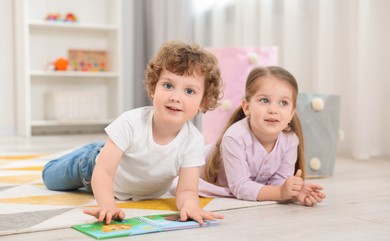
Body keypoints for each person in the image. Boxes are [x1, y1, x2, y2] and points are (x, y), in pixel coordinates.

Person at [42, 40, 224, 224]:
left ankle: (104, 147)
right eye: (168, 86)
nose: (175, 97)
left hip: (135, 186)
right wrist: (107, 204)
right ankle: (93, 151)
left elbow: (186, 191)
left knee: (108, 151)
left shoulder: (193, 141)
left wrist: (190, 206)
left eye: (190, 91)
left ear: (203, 102)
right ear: (154, 88)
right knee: (50, 178)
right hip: (92, 170)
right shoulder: (131, 122)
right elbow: (103, 172)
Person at [172, 66, 325, 206]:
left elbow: (278, 183)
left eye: (283, 103)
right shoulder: (235, 137)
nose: (273, 109)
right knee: (170, 184)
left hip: (238, 186)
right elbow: (240, 187)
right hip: (185, 169)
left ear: (292, 112)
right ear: (247, 107)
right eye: (264, 100)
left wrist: (293, 190)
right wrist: (280, 192)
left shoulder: (290, 140)